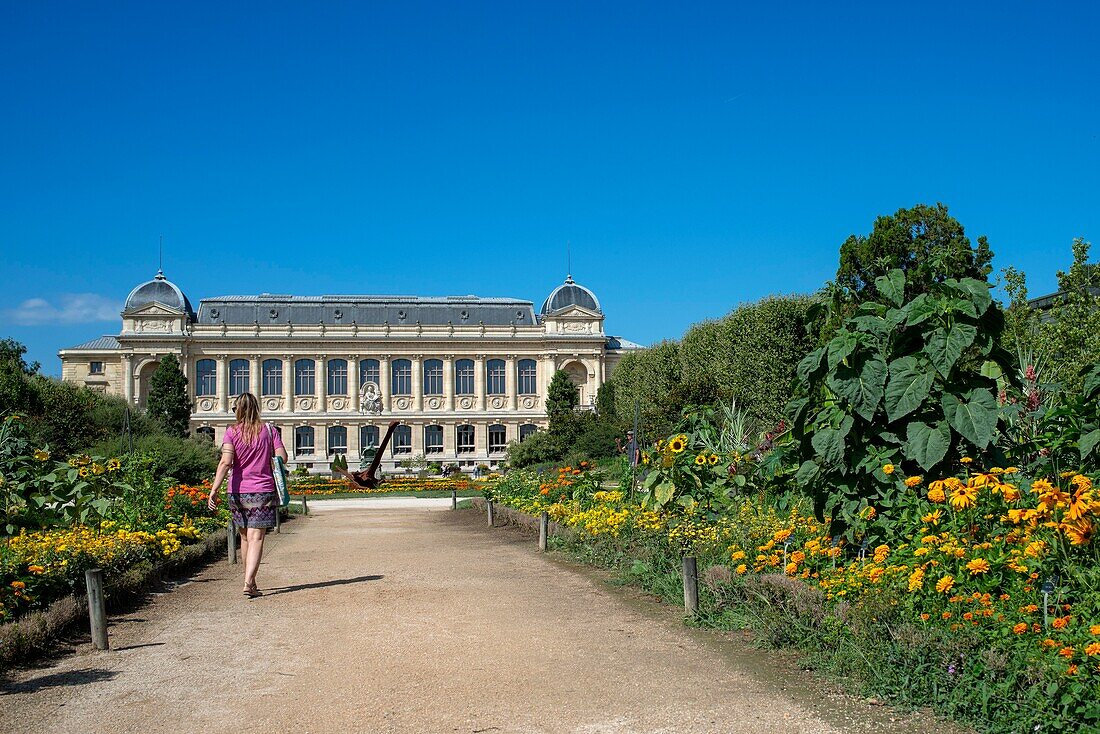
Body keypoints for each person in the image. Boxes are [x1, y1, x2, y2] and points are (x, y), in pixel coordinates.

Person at [207, 392, 287, 597]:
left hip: (237, 490)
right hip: (262, 490)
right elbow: (282, 458)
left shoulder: (231, 432)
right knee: (256, 537)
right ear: (256, 409)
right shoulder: (269, 431)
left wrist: (214, 489)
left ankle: (249, 580)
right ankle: (249, 581)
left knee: (244, 536)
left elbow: (225, 462)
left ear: (239, 411)